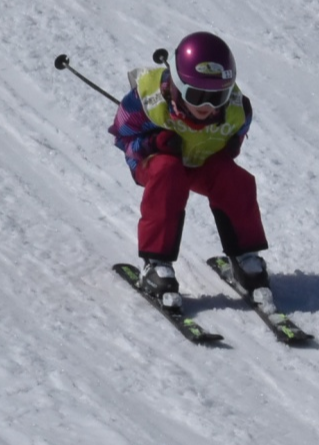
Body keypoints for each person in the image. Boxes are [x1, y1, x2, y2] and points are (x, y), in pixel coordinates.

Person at [109, 31, 279, 315]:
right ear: (177, 84)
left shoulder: (237, 110)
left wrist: (225, 150)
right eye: (197, 95)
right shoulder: (146, 101)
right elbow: (123, 137)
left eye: (217, 97)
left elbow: (235, 138)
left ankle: (244, 256)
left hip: (201, 161)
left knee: (236, 181)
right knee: (168, 172)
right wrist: (153, 143)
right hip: (157, 163)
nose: (207, 106)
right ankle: (156, 264)